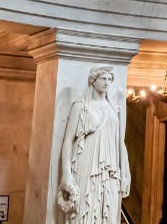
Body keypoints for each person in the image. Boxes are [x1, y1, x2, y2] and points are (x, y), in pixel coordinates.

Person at [58, 66, 130, 223]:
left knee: (109, 211)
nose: (107, 82)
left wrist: (126, 172)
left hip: (110, 168)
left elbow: (120, 142)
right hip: (86, 163)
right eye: (103, 78)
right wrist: (66, 173)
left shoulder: (114, 108)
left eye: (110, 79)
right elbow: (68, 141)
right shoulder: (80, 106)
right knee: (83, 209)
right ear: (93, 80)